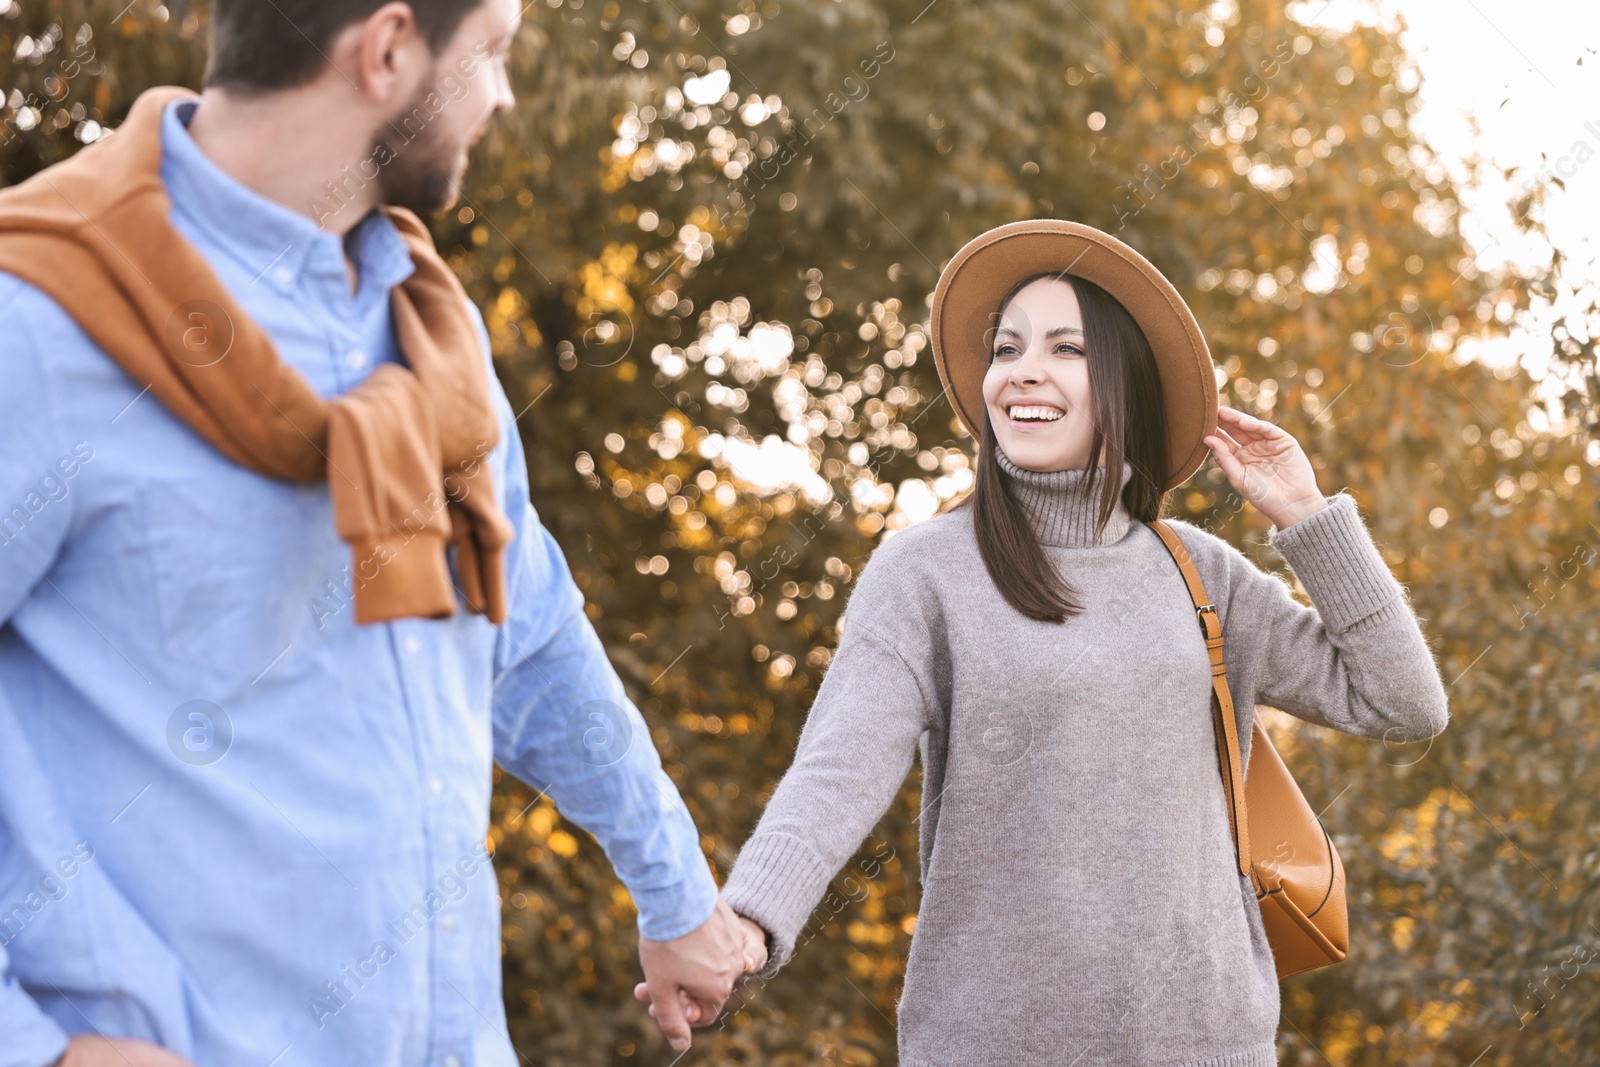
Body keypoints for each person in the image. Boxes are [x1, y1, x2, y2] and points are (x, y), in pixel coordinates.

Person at [0, 2, 762, 1064]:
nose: (501, 95)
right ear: (389, 48)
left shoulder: (431, 337)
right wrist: (36, 1046)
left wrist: (676, 892)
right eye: (490, 52)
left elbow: (529, 642)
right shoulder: (35, 323)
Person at [703, 219, 1451, 1065]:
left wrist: (1307, 517)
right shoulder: (925, 572)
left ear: (1123, 382)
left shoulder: (1202, 573)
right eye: (1007, 347)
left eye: (1066, 348)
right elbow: (835, 775)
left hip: (1208, 1045)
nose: (1023, 369)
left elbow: (1405, 702)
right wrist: (747, 923)